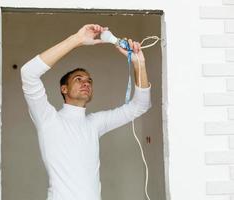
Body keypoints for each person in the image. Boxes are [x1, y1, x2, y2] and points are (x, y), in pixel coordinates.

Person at [20, 24, 152, 200]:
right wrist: (77, 39)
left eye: (89, 80)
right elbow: (28, 73)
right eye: (78, 79)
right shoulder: (48, 119)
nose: (86, 83)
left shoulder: (95, 123)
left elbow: (140, 105)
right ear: (64, 89)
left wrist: (138, 63)